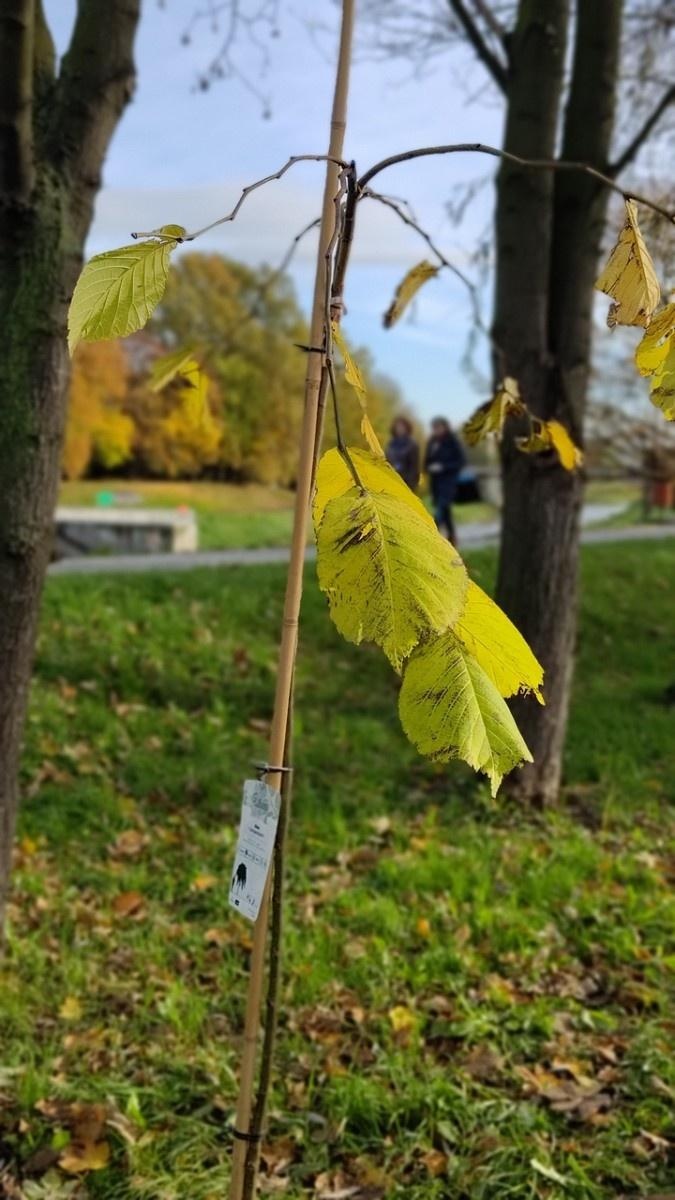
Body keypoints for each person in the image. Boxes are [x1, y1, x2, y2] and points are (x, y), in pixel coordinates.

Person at [424, 417, 466, 542]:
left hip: (448, 483)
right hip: (435, 483)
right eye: (434, 427)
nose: (436, 430)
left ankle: (432, 538)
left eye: (439, 427)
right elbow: (426, 461)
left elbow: (461, 461)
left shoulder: (452, 441)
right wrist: (429, 468)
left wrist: (443, 467)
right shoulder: (432, 442)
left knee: (440, 511)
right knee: (446, 512)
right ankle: (452, 538)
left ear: (445, 427)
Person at [385, 416, 420, 492]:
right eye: (397, 426)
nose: (399, 429)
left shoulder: (412, 444)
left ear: (407, 428)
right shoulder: (391, 444)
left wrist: (411, 482)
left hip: (407, 481)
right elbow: (386, 460)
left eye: (402, 426)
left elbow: (414, 466)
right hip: (392, 479)